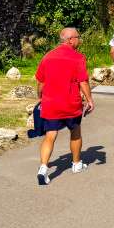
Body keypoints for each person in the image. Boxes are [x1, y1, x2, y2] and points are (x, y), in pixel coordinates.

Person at [34, 27, 94, 186]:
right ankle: (76, 164)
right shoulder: (78, 58)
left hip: (51, 103)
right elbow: (83, 81)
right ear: (70, 40)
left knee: (50, 135)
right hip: (70, 103)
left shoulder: (48, 56)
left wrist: (40, 97)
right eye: (77, 37)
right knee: (75, 132)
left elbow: (41, 82)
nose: (79, 40)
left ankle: (43, 168)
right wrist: (89, 100)